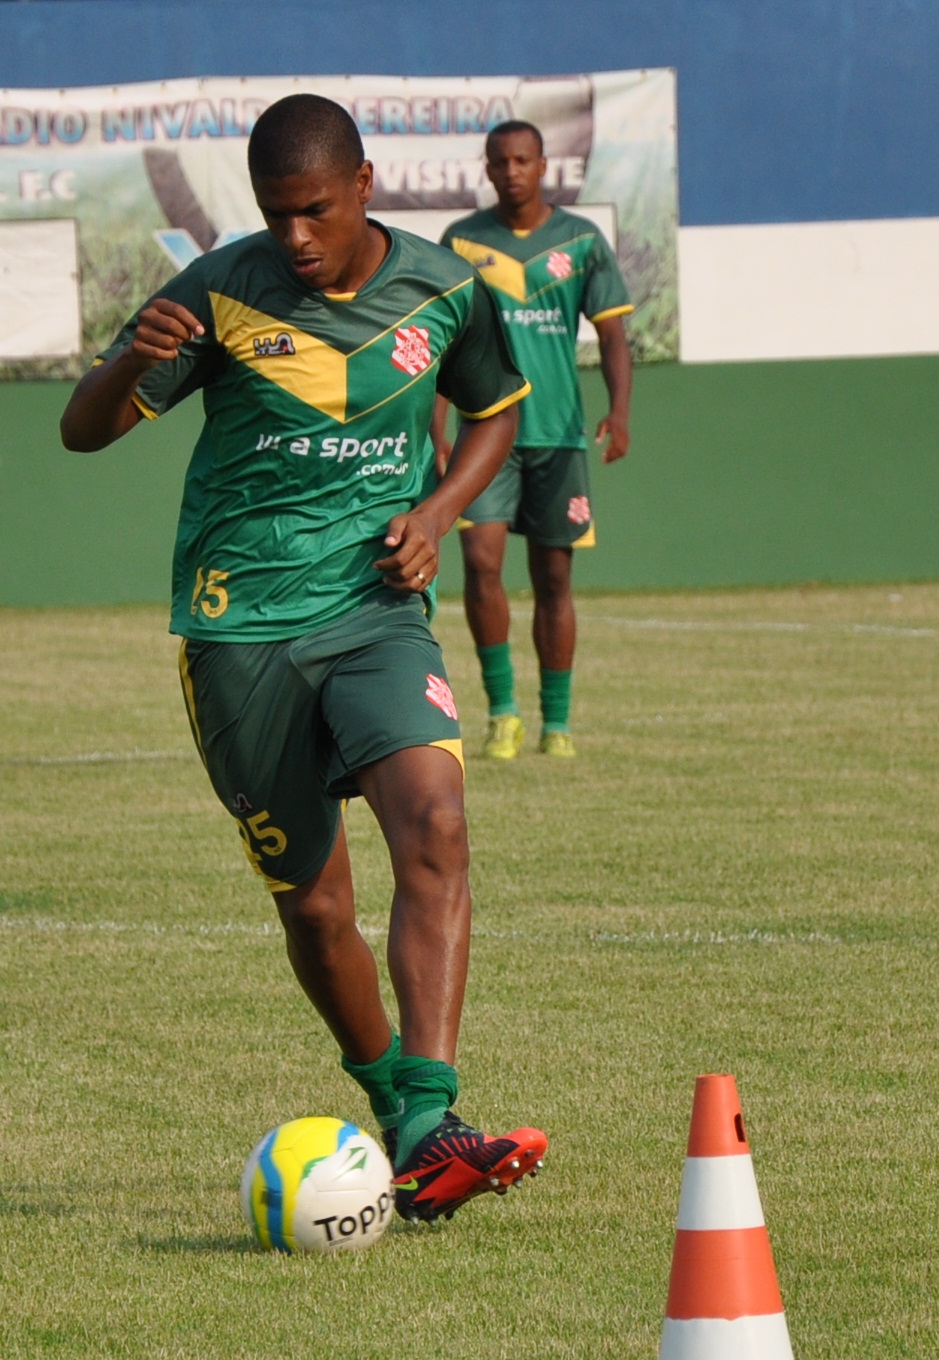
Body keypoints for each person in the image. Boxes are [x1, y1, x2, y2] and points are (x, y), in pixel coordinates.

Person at [60, 94, 548, 1223]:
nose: (293, 237)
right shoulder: (216, 293)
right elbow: (82, 433)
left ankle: (431, 1121)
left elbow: (494, 414)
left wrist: (436, 512)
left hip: (373, 611)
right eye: (275, 214)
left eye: (313, 211)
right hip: (238, 634)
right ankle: (390, 1107)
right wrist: (129, 362)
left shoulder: (445, 284)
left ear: (365, 184)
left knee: (433, 819)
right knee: (316, 909)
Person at [433, 120, 636, 760]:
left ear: (543, 165)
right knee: (482, 564)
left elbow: (611, 337)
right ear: (488, 168)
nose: (512, 170)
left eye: (524, 159)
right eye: (501, 161)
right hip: (485, 436)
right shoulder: (462, 242)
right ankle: (503, 714)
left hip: (559, 436)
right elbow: (443, 345)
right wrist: (434, 429)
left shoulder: (580, 241)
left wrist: (620, 411)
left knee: (553, 577)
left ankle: (558, 723)